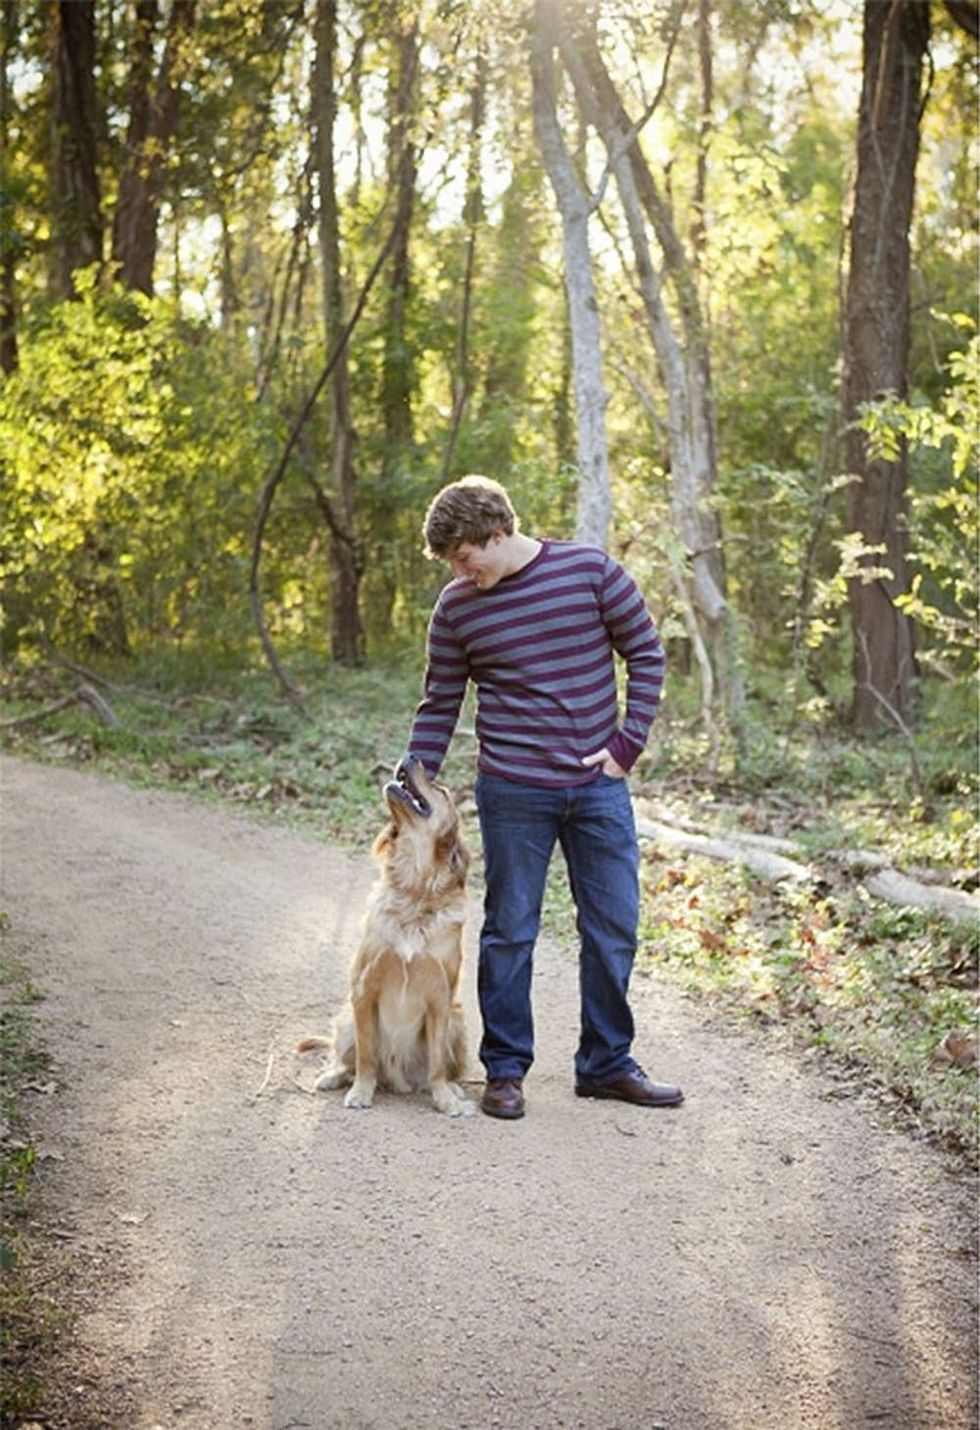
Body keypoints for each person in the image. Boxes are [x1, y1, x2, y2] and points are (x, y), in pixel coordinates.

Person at [406, 475, 683, 1120]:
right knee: (510, 931)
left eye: (464, 556)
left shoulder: (590, 572)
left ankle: (607, 1064)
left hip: (597, 788)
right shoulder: (456, 608)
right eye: (450, 562)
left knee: (613, 927)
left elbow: (646, 652)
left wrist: (626, 744)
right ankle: (505, 1071)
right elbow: (441, 699)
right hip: (511, 790)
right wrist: (416, 776)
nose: (458, 570)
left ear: (497, 532)